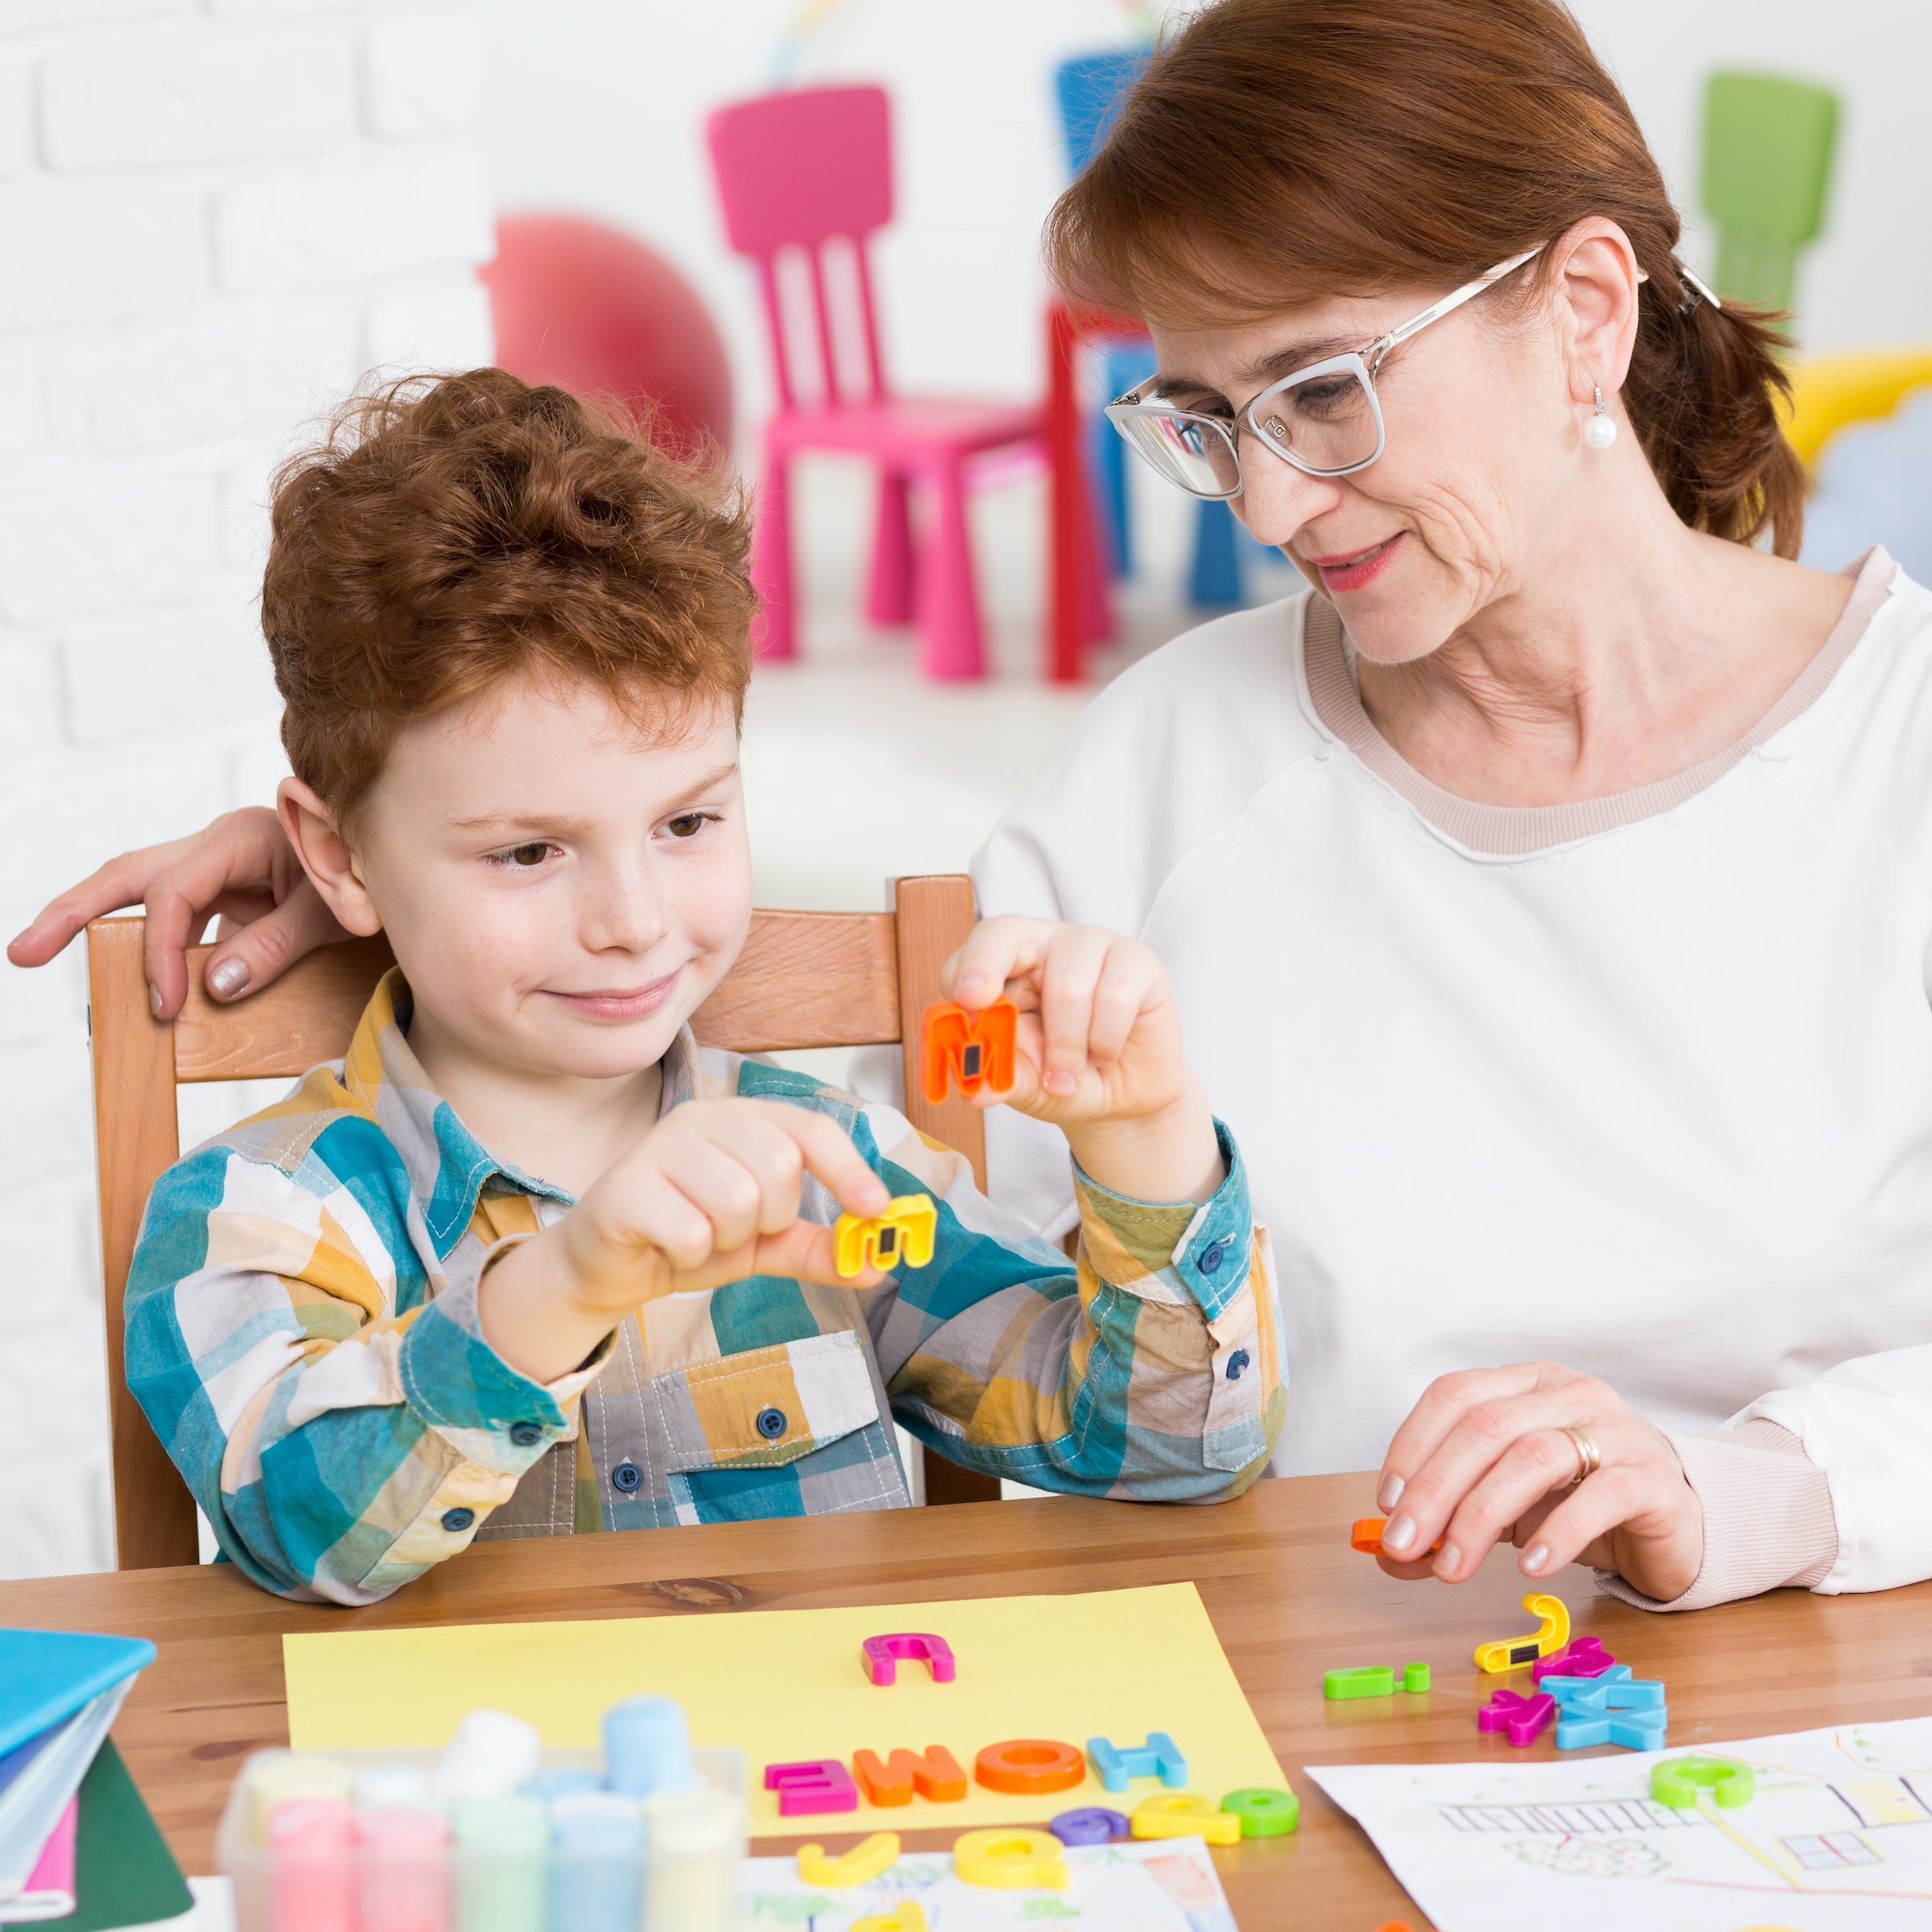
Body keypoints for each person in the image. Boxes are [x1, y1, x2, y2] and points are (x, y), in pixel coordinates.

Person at [18, 0, 1931, 1613]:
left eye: (1322, 391)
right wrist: (406, 862)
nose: (1263, 506)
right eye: (1207, 420)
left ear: (1585, 309)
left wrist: (1755, 1488)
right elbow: (1034, 1316)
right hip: (1304, 1704)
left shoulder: (1891, 751)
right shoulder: (1168, 757)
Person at [110, 370, 1278, 1605]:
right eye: (527, 851)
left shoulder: (833, 1167)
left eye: (686, 822)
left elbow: (1172, 1451)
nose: (633, 922)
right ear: (338, 855)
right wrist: (560, 1284)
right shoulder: (258, 1210)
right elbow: (298, 1526)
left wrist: (1145, 1137)